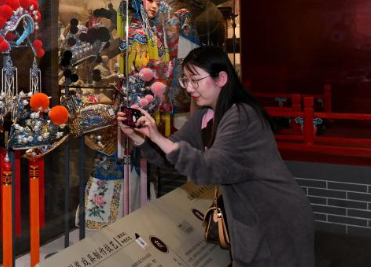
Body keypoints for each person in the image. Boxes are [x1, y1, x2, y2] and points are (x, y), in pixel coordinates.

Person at [118, 46, 314, 267]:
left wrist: (157, 136)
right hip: (249, 216)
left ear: (221, 78)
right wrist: (137, 137)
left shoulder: (241, 116)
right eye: (185, 81)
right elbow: (169, 155)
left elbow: (212, 169)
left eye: (195, 80)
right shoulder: (206, 116)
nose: (189, 88)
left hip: (274, 216)